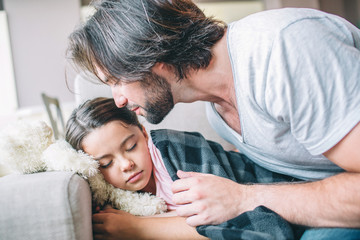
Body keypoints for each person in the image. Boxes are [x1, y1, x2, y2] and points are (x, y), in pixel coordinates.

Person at [67, 0, 360, 239]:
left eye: (117, 80)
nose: (118, 100)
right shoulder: (219, 112)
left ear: (148, 55)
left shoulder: (280, 51)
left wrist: (242, 199)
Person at [66, 97, 304, 240]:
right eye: (106, 164)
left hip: (292, 190)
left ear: (143, 131)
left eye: (130, 146)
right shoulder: (118, 199)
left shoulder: (174, 150)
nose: (126, 164)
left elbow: (246, 227)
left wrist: (137, 228)